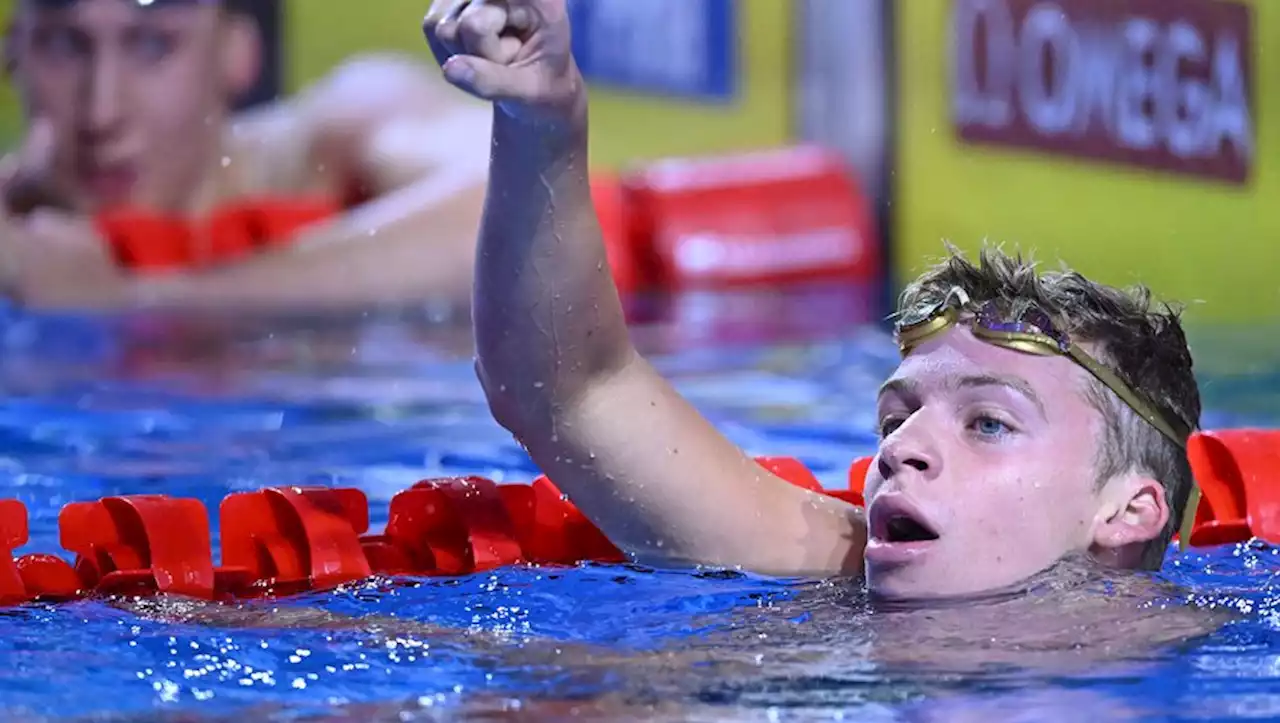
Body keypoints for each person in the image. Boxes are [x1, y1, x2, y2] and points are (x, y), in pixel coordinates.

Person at [421, 0, 1203, 602]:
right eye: (896, 418)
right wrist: (544, 122)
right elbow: (568, 390)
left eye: (989, 422)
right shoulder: (830, 566)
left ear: (1128, 512)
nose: (899, 451)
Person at [0, 0, 490, 310]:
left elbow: (524, 205)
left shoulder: (325, 146)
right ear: (14, 53)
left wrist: (145, 300)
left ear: (237, 52)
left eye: (152, 44)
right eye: (64, 44)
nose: (101, 113)